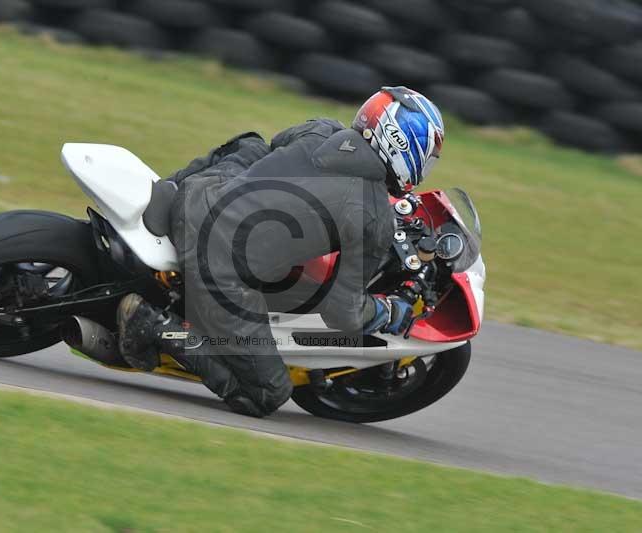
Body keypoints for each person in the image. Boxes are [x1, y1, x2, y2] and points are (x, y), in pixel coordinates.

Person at [117, 86, 445, 417]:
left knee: (251, 145)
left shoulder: (322, 128)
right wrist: (387, 311)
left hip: (195, 197)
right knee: (269, 393)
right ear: (403, 146)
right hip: (217, 267)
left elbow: (274, 153)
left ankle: (166, 187)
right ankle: (157, 328)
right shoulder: (373, 218)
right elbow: (342, 312)